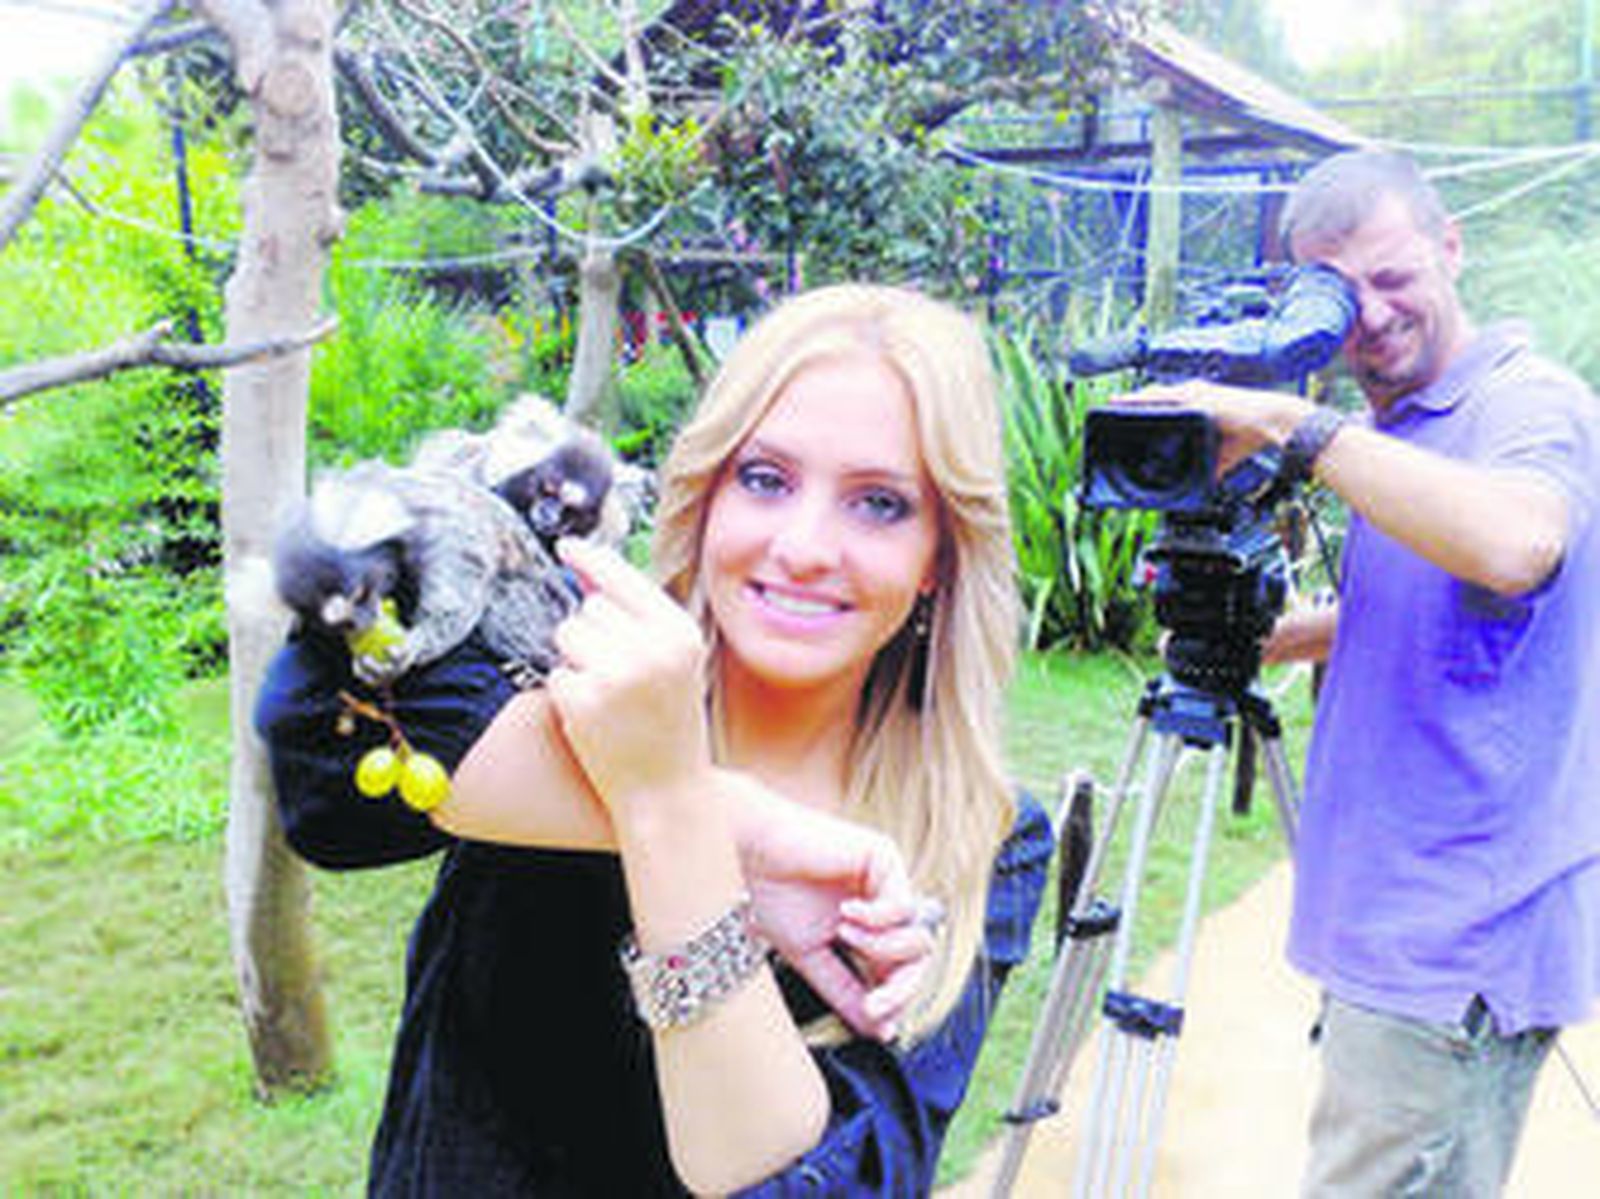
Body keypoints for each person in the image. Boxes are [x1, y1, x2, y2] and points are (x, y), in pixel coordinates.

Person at [255, 282, 1053, 1196]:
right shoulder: (577, 665)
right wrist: (730, 820)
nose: (803, 546)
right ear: (706, 495)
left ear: (939, 558)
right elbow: (320, 760)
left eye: (878, 503)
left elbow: (834, 1178)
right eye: (766, 478)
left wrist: (672, 812)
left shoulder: (979, 835)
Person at [1118, 148, 1599, 1195]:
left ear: (1451, 246)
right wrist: (1289, 634)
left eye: (1393, 277)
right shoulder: (1401, 427)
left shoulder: (1528, 406)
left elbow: (1517, 549)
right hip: (1395, 923)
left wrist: (1293, 424)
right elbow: (1464, 613)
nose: (1369, 317)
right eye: (1338, 293)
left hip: (1448, 938)